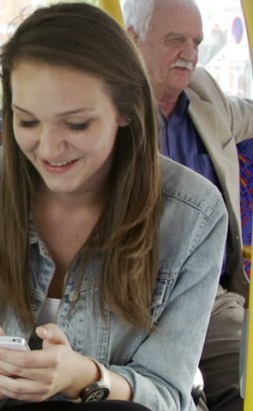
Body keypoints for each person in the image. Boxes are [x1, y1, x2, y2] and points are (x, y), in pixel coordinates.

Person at [0, 3, 226, 410]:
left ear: (125, 109)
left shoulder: (194, 214)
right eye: (28, 122)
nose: (48, 148)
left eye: (76, 124)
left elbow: (168, 395)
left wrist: (83, 378)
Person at [124, 0, 253, 409]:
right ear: (133, 39)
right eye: (175, 40)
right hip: (124, 293)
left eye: (196, 42)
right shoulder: (100, 106)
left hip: (210, 295)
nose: (190, 53)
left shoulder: (204, 93)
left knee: (246, 380)